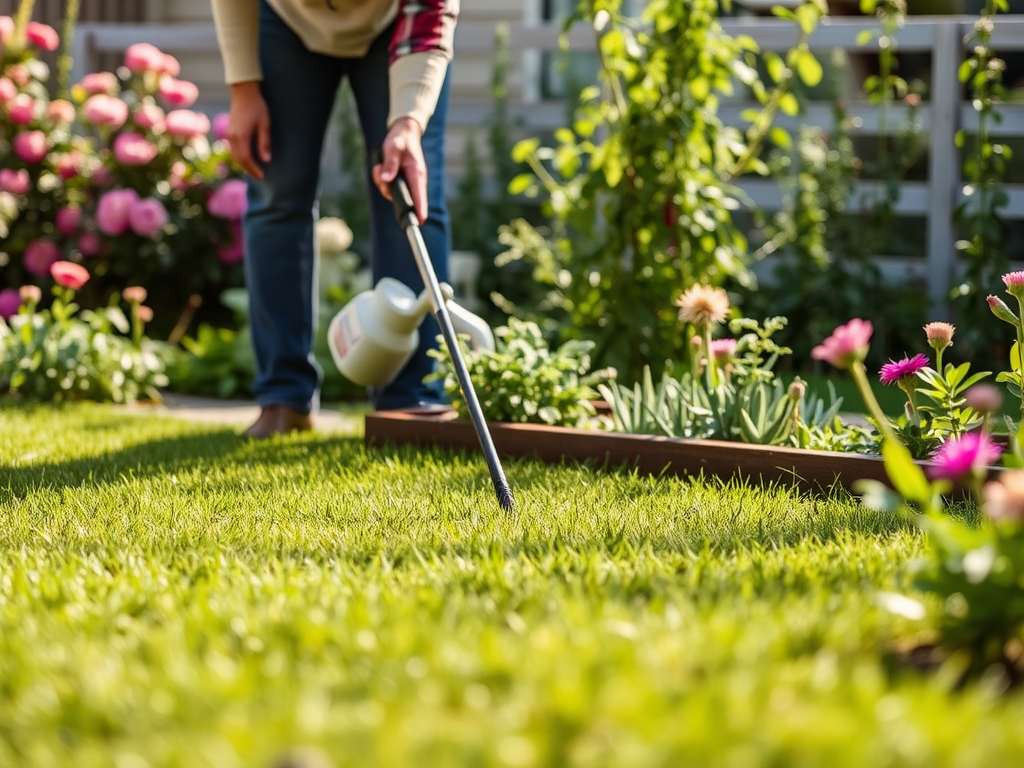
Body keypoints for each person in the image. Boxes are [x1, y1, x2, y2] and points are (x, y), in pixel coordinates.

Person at [210, 0, 458, 438]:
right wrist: (243, 85)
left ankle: (412, 401)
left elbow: (431, 10)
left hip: (400, 21)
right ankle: (284, 398)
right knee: (276, 198)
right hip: (285, 19)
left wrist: (408, 122)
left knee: (411, 195)